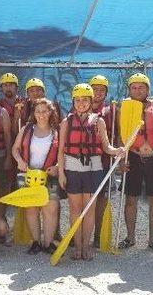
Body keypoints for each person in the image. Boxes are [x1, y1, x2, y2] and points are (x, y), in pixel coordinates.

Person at [58, 83, 124, 261]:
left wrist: (117, 150)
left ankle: (86, 245)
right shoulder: (66, 122)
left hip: (94, 168)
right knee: (75, 209)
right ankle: (77, 245)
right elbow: (61, 150)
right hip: (72, 167)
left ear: (90, 100)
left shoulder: (99, 120)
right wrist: (61, 173)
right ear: (73, 101)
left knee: (89, 209)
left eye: (85, 100)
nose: (81, 103)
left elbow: (106, 146)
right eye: (78, 100)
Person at [116, 73, 153, 252]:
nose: (137, 91)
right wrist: (121, 161)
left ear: (148, 89)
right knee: (131, 200)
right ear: (129, 89)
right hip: (133, 157)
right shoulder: (124, 107)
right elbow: (121, 137)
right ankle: (130, 238)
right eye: (134, 87)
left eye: (141, 87)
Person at [11, 98, 60, 254]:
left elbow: (63, 154)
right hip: (29, 175)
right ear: (34, 113)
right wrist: (19, 161)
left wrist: (57, 167)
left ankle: (48, 243)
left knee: (50, 208)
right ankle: (36, 242)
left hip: (49, 176)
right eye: (38, 111)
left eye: (44, 111)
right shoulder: (26, 129)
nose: (41, 115)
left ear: (50, 112)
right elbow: (15, 149)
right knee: (31, 209)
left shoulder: (57, 131)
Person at [88, 75, 119, 248]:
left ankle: (98, 236)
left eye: (102, 90)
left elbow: (119, 135)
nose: (98, 93)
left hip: (105, 161)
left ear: (106, 93)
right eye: (95, 89)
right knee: (86, 198)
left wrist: (121, 158)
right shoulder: (80, 107)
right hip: (86, 162)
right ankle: (82, 234)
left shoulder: (112, 110)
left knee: (101, 199)